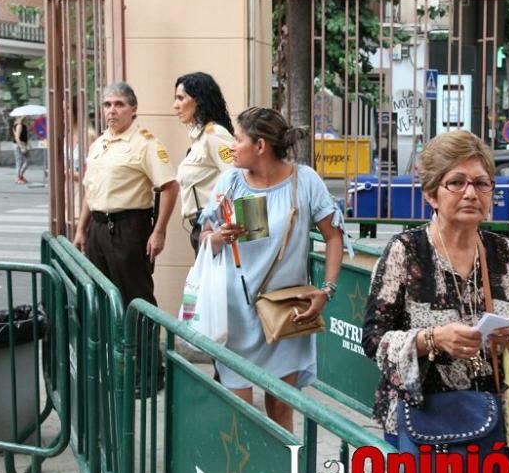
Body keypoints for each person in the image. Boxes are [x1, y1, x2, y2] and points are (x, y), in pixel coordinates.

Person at [361, 129, 509, 473]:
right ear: (431, 194)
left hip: (492, 429)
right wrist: (429, 340)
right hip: (418, 427)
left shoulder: (503, 254)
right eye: (456, 182)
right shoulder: (405, 252)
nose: (471, 193)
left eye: (481, 183)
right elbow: (373, 340)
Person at [200, 106, 346, 433]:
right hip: (235, 317)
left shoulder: (304, 181)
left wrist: (327, 290)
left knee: (281, 416)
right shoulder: (231, 181)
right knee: (237, 417)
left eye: (238, 140)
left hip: (283, 315)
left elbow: (333, 237)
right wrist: (219, 237)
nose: (232, 147)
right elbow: (206, 236)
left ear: (261, 146)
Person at [73, 82, 178, 392]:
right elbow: (90, 193)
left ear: (133, 109)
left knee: (137, 301)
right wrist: (81, 229)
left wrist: (159, 232)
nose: (112, 111)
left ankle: (149, 374)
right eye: (107, 105)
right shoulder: (99, 144)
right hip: (98, 229)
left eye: (119, 104)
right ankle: (117, 369)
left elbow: (170, 187)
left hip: (130, 229)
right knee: (105, 302)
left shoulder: (145, 144)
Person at [173, 72, 235, 253]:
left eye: (180, 98)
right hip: (202, 227)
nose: (175, 105)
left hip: (214, 226)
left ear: (198, 100)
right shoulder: (199, 138)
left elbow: (236, 177)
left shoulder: (214, 134)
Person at [13, 116, 30, 184]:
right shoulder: (19, 125)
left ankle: (20, 176)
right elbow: (17, 138)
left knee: (27, 161)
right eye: (26, 117)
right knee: (20, 162)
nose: (28, 118)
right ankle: (18, 178)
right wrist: (22, 147)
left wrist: (28, 144)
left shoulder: (24, 125)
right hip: (19, 145)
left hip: (24, 144)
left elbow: (25, 136)